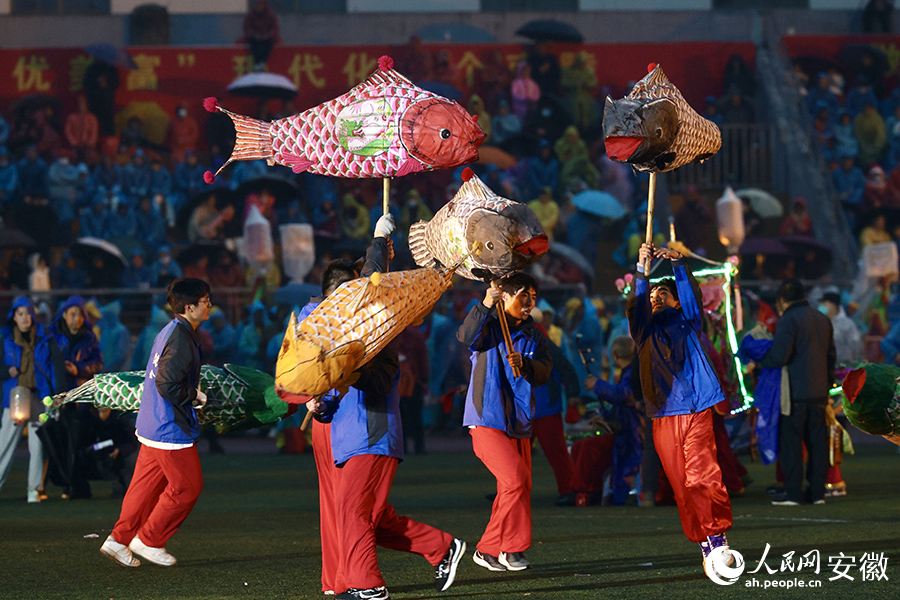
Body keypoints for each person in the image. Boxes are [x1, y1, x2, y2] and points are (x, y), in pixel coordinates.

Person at [293, 214, 466, 599]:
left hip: (371, 433)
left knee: (353, 512)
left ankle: (366, 585)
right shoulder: (338, 329)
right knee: (364, 514)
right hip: (346, 433)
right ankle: (438, 547)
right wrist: (322, 401)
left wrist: (376, 241)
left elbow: (378, 380)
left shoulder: (377, 331)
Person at [630, 243, 734, 574]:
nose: (657, 299)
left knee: (704, 474)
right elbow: (636, 312)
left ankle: (717, 537)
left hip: (697, 408)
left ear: (676, 301)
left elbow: (692, 299)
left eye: (665, 295)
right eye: (652, 296)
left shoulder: (688, 321)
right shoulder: (644, 332)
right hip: (664, 414)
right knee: (681, 484)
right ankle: (704, 540)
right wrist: (641, 274)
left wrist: (678, 264)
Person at [99, 278, 211, 568]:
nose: (209, 304)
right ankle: (149, 539)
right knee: (188, 487)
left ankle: (118, 539)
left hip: (151, 421)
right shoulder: (181, 337)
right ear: (190, 306)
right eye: (205, 300)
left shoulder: (170, 330)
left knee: (143, 488)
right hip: (168, 426)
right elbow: (168, 384)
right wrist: (195, 396)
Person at [458, 272, 553, 572]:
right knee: (514, 480)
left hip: (519, 421)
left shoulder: (533, 333)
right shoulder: (488, 325)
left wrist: (525, 364)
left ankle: (510, 550)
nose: (530, 304)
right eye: (524, 296)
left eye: (533, 298)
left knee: (516, 486)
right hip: (487, 417)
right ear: (506, 296)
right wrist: (485, 303)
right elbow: (466, 336)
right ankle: (486, 548)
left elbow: (544, 371)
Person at [760, 278, 836, 507]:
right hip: (820, 392)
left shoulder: (788, 320)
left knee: (791, 444)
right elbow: (831, 356)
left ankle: (793, 493)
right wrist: (828, 384)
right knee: (818, 444)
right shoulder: (822, 318)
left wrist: (761, 359)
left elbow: (781, 354)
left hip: (794, 392)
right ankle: (817, 493)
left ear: (782, 300)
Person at [0, 298, 55, 503]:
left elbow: (52, 365)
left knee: (38, 444)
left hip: (38, 395)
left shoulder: (44, 336)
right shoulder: (5, 337)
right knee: (4, 443)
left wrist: (56, 394)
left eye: (28, 313)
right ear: (14, 317)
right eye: (20, 314)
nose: (25, 318)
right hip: (15, 395)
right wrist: (6, 371)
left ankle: (35, 489)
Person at [583, 336, 642, 506]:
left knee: (627, 466)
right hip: (630, 430)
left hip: (634, 433)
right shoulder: (630, 372)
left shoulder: (632, 374)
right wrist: (604, 416)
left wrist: (597, 385)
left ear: (615, 354)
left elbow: (622, 395)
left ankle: (622, 499)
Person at [818, 291, 864, 364]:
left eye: (825, 304)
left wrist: (855, 362)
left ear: (833, 305)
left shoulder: (847, 324)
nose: (821, 306)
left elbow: (856, 344)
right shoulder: (820, 323)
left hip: (842, 367)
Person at [241, 0, 281, 71]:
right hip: (255, 38)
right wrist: (255, 35)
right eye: (258, 5)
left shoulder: (270, 15)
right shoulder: (251, 15)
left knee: (269, 43)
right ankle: (257, 63)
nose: (259, 7)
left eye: (261, 5)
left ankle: (262, 62)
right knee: (252, 43)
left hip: (267, 38)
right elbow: (247, 27)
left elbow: (275, 29)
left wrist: (267, 35)